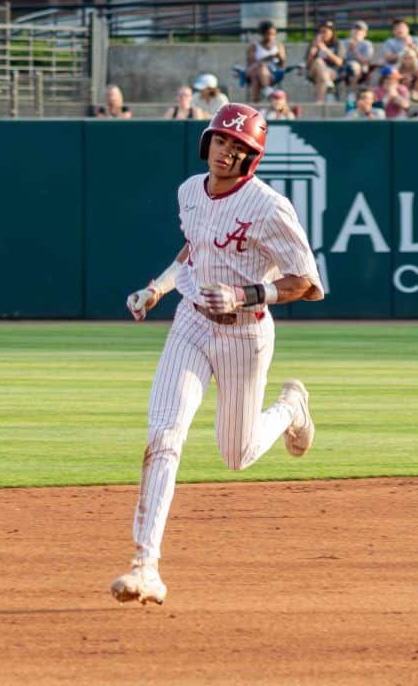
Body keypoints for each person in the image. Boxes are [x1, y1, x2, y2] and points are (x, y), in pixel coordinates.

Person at [112, 103, 324, 605]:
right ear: (208, 142)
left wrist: (247, 294)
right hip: (190, 322)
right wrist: (158, 288)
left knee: (237, 454)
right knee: (163, 436)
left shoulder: (269, 207)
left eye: (239, 146)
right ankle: (146, 566)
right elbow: (194, 246)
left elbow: (308, 284)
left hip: (244, 335)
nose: (227, 151)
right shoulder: (190, 190)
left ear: (252, 157)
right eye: (222, 141)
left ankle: (291, 407)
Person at [245, 21, 288, 102]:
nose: (271, 37)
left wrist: (280, 58)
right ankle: (268, 91)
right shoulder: (254, 46)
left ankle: (256, 102)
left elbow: (283, 65)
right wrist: (269, 57)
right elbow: (251, 63)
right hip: (255, 70)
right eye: (269, 34)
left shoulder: (278, 46)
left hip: (273, 73)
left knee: (255, 78)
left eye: (273, 34)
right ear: (263, 34)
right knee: (259, 68)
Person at [305, 20, 343, 102]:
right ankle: (329, 86)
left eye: (325, 31)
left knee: (322, 77)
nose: (323, 34)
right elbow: (308, 65)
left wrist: (325, 50)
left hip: (332, 71)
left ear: (332, 32)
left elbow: (339, 63)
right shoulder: (313, 44)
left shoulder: (337, 44)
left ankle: (319, 102)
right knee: (318, 61)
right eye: (321, 31)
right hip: (313, 71)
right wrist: (312, 52)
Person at [339, 20, 374, 90]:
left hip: (360, 67)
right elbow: (339, 59)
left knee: (353, 67)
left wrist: (355, 50)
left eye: (360, 30)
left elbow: (366, 60)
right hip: (344, 66)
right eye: (355, 29)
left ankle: (351, 92)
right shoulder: (343, 42)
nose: (357, 31)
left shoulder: (367, 44)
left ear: (365, 33)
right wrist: (347, 50)